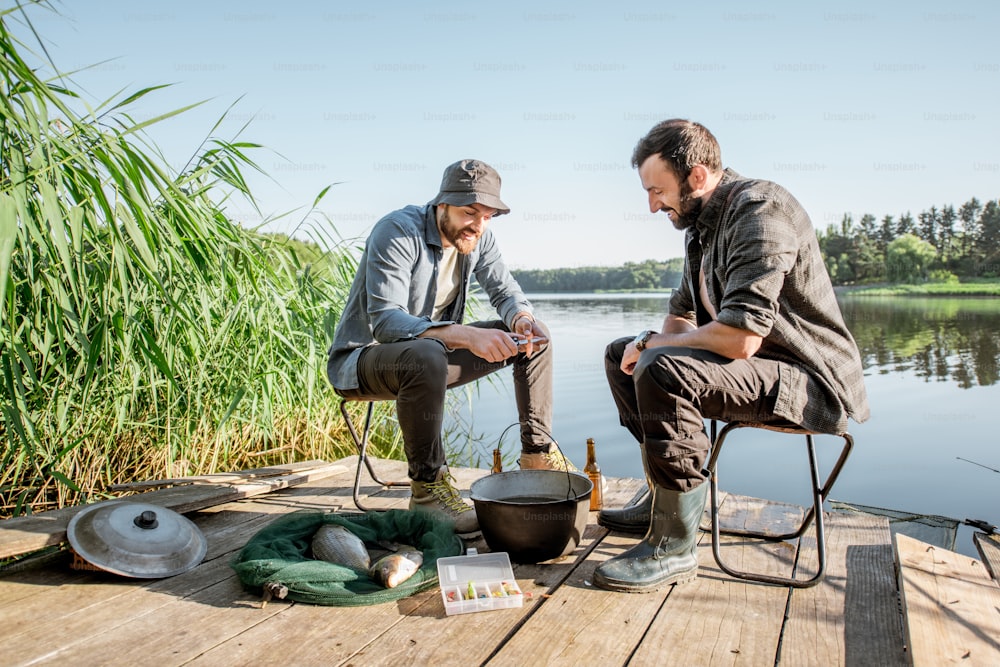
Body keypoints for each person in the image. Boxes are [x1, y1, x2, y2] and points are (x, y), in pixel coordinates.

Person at [593, 119, 870, 592]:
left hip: (807, 380)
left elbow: (742, 337)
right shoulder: (699, 227)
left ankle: (675, 545)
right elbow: (681, 314)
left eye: (658, 190)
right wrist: (650, 344)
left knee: (659, 366)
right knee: (624, 355)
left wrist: (656, 348)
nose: (652, 204)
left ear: (697, 177)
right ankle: (663, 497)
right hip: (754, 369)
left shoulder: (760, 210)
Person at [327, 159, 571, 539]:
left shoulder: (477, 237)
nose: (479, 223)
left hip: (432, 363)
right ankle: (428, 492)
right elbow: (387, 322)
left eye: (488, 215)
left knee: (536, 340)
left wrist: (521, 318)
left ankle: (537, 458)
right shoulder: (397, 231)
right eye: (469, 212)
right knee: (426, 353)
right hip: (365, 361)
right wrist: (464, 335)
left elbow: (504, 290)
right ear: (442, 204)